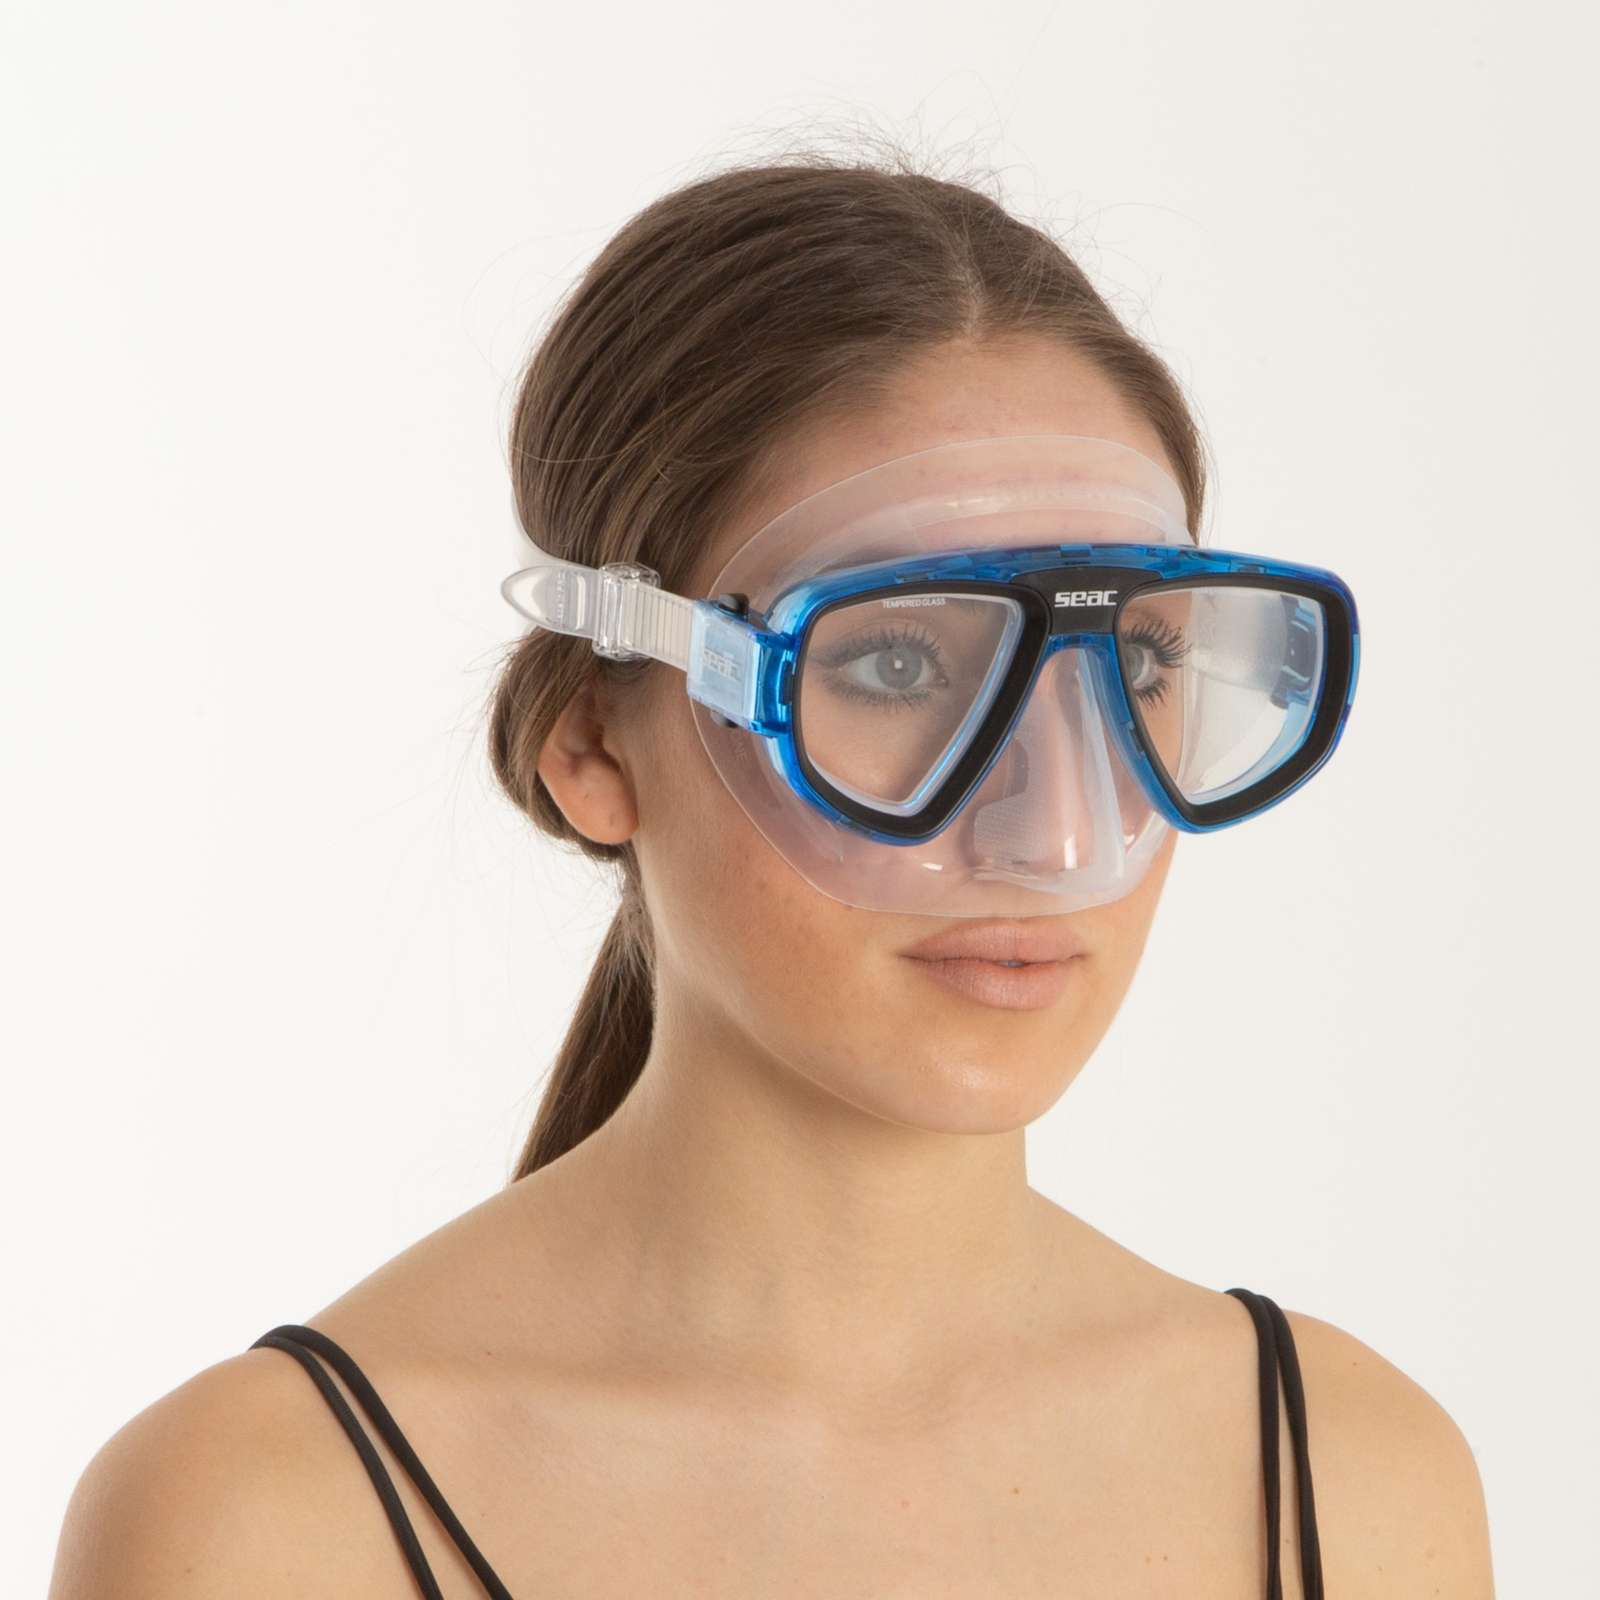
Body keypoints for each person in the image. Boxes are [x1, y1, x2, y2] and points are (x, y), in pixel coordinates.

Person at [49, 146, 1493, 1599]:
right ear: (590, 741)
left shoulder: (1357, 1481)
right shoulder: (262, 1525)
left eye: (1146, 662)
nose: (1056, 837)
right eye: (899, 664)